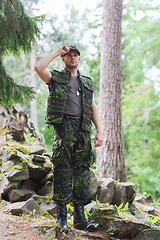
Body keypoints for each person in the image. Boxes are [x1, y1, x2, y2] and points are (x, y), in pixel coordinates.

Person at [35, 45, 103, 233]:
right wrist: (57, 51)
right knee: (63, 170)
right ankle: (62, 216)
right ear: (64, 59)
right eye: (69, 55)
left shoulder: (87, 82)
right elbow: (38, 68)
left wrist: (100, 131)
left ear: (79, 59)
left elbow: (92, 106)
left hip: (83, 129)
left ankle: (80, 217)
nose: (73, 58)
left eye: (76, 56)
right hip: (64, 127)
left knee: (82, 171)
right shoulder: (55, 78)